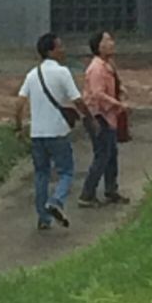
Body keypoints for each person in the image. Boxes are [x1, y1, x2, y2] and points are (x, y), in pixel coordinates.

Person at [15, 32, 95, 231]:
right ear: (51, 51)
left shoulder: (32, 74)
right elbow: (77, 100)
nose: (63, 50)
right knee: (66, 171)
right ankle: (56, 200)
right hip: (57, 132)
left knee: (41, 174)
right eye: (60, 47)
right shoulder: (62, 72)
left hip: (37, 134)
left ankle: (43, 218)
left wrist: (18, 126)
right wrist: (89, 118)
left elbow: (19, 103)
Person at [78, 30, 131, 207]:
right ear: (99, 46)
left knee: (111, 154)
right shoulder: (97, 68)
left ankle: (111, 190)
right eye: (107, 41)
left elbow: (113, 84)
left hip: (107, 116)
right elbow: (98, 94)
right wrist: (118, 104)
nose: (112, 43)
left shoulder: (108, 65)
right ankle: (87, 195)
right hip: (98, 116)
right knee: (102, 155)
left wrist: (120, 89)